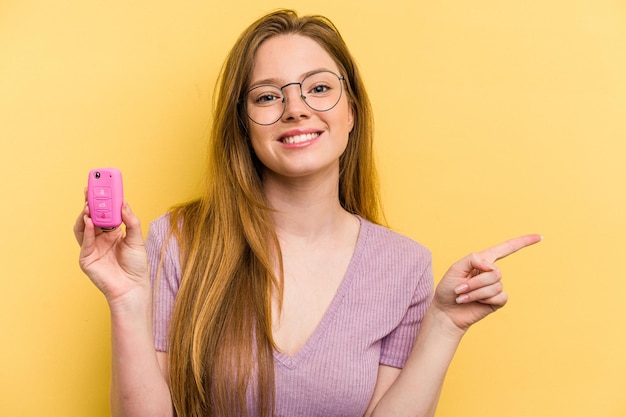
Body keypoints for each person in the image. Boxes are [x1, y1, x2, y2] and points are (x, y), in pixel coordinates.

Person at [74, 9, 541, 417]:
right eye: (267, 96)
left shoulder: (404, 265)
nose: (296, 109)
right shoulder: (176, 240)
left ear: (351, 111)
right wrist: (126, 301)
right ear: (243, 125)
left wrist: (444, 324)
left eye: (319, 88)